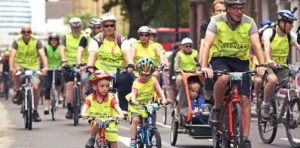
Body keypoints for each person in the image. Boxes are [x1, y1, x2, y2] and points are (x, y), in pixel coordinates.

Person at [200, 0, 266, 145]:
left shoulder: (249, 22)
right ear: (228, 9)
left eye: (242, 8)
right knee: (223, 79)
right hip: (220, 59)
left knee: (245, 99)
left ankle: (245, 138)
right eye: (236, 8)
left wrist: (262, 65)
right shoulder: (216, 21)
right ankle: (216, 108)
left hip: (241, 62)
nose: (240, 11)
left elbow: (256, 44)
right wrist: (205, 66)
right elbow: (207, 44)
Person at [87, 13, 134, 113]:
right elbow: (93, 54)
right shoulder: (96, 40)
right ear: (102, 27)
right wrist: (90, 66)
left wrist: (130, 63)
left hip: (119, 72)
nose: (109, 27)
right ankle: (92, 107)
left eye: (111, 25)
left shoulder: (121, 40)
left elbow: (126, 53)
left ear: (115, 27)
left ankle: (123, 107)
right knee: (90, 80)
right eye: (106, 25)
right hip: (100, 71)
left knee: (129, 77)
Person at [257, 10, 300, 118]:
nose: (292, 25)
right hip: (268, 65)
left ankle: (287, 112)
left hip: (282, 67)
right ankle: (265, 104)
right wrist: (268, 59)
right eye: (290, 22)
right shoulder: (270, 32)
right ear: (281, 22)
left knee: (293, 86)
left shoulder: (291, 35)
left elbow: (298, 47)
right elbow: (266, 46)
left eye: (292, 23)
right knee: (272, 80)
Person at [9, 25, 48, 122]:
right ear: (21, 32)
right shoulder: (16, 41)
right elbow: (12, 55)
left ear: (31, 32)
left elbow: (42, 55)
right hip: (20, 64)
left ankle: (35, 111)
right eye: (24, 32)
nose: (26, 33)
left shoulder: (37, 41)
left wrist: (45, 67)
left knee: (35, 88)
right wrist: (11, 67)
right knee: (16, 71)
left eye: (28, 31)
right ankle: (18, 91)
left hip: (33, 66)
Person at [128, 57, 167, 147]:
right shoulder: (136, 83)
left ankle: (152, 128)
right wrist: (134, 101)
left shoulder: (153, 80)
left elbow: (159, 91)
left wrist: (164, 99)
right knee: (135, 120)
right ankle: (133, 140)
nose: (144, 77)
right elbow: (133, 94)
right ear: (138, 72)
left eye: (147, 75)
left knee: (153, 111)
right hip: (137, 105)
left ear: (151, 73)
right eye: (142, 74)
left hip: (149, 104)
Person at [81, 72, 124, 148]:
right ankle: (92, 138)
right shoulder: (90, 98)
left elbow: (117, 107)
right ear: (94, 86)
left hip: (110, 122)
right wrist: (84, 113)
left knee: (113, 141)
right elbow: (85, 107)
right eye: (102, 86)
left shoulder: (110, 98)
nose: (105, 88)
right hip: (96, 120)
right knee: (96, 124)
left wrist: (121, 114)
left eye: (107, 86)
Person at [60, 17, 85, 119]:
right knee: (69, 86)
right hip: (69, 65)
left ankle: (83, 104)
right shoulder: (65, 36)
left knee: (84, 84)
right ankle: (70, 108)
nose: (76, 29)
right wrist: (64, 59)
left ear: (81, 26)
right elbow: (62, 49)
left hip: (83, 65)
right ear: (70, 27)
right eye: (74, 27)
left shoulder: (85, 36)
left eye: (78, 27)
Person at [77, 18, 102, 100]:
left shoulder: (104, 38)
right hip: (88, 66)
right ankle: (86, 105)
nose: (96, 30)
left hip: (101, 66)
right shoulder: (86, 38)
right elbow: (80, 50)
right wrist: (80, 63)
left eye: (98, 27)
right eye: (94, 27)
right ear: (91, 28)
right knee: (86, 81)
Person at [43, 33, 62, 115]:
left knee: (59, 82)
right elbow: (45, 58)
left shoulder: (60, 48)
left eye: (55, 40)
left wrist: (62, 65)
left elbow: (63, 57)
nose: (54, 42)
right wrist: (46, 67)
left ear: (58, 41)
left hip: (58, 68)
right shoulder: (46, 48)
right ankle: (47, 107)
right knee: (47, 87)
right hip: (49, 69)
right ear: (49, 41)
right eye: (52, 40)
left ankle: (58, 95)